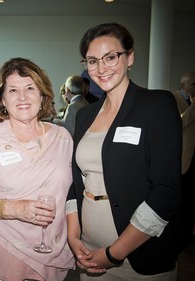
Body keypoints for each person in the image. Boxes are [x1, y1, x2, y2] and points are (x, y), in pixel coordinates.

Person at [66, 22, 182, 281]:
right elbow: (75, 183)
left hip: (138, 255)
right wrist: (73, 237)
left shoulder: (156, 106)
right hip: (89, 250)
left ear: (130, 57)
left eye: (111, 57)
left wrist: (113, 254)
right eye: (92, 60)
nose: (101, 68)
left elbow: (166, 191)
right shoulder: (85, 115)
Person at [0, 57, 75, 281]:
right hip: (4, 250)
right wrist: (16, 209)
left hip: (53, 251)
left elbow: (72, 196)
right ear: (2, 100)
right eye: (13, 90)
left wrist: (76, 238)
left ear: (42, 94)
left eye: (30, 88)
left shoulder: (62, 138)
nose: (22, 97)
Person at [173, 72, 195, 250]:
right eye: (193, 84)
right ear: (183, 85)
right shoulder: (172, 100)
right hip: (182, 160)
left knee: (191, 202)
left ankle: (188, 237)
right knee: (180, 202)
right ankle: (177, 238)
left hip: (194, 158)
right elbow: (178, 124)